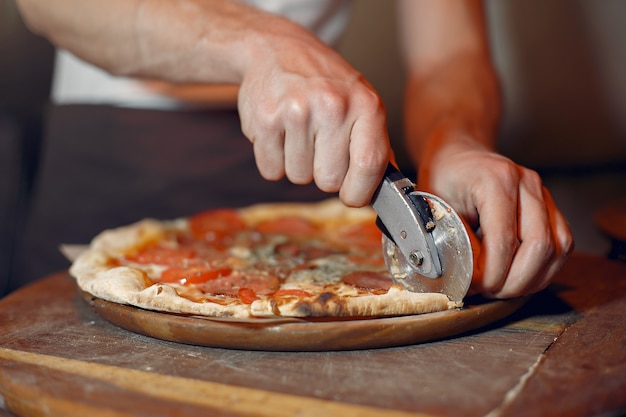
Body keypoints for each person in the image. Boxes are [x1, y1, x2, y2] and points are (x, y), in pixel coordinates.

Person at [13, 0, 573, 298]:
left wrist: (459, 141)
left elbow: (449, 55)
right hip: (108, 167)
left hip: (309, 175)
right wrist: (267, 42)